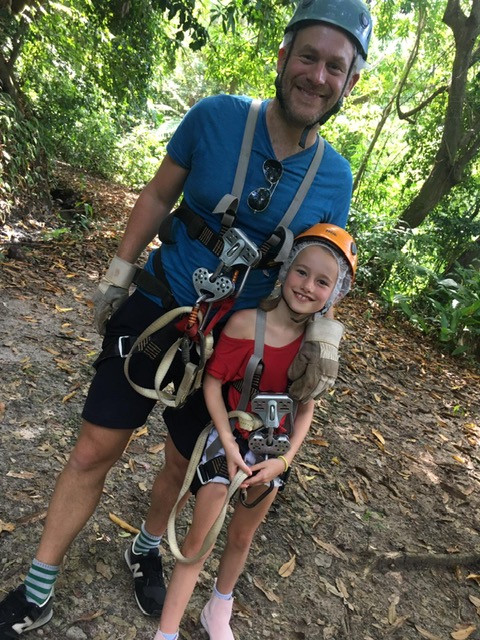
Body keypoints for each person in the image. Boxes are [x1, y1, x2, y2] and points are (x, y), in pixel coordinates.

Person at [0, 0, 372, 636]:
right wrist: (119, 273)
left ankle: (146, 546)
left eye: (335, 66)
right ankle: (39, 584)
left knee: (180, 460)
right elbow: (157, 193)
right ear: (283, 58)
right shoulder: (216, 118)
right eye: (307, 56)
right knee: (97, 446)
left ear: (350, 82)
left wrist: (323, 348)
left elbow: (324, 271)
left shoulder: (334, 178)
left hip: (233, 345)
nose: (317, 75)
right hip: (159, 306)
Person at [154, 223, 358, 640]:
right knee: (200, 539)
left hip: (272, 452)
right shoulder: (247, 323)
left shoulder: (316, 348)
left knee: (242, 537)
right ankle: (167, 632)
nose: (307, 286)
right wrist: (227, 441)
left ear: (334, 294)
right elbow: (213, 382)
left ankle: (219, 609)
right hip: (226, 441)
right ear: (285, 271)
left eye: (323, 282)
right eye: (301, 272)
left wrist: (284, 460)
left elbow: (305, 410)